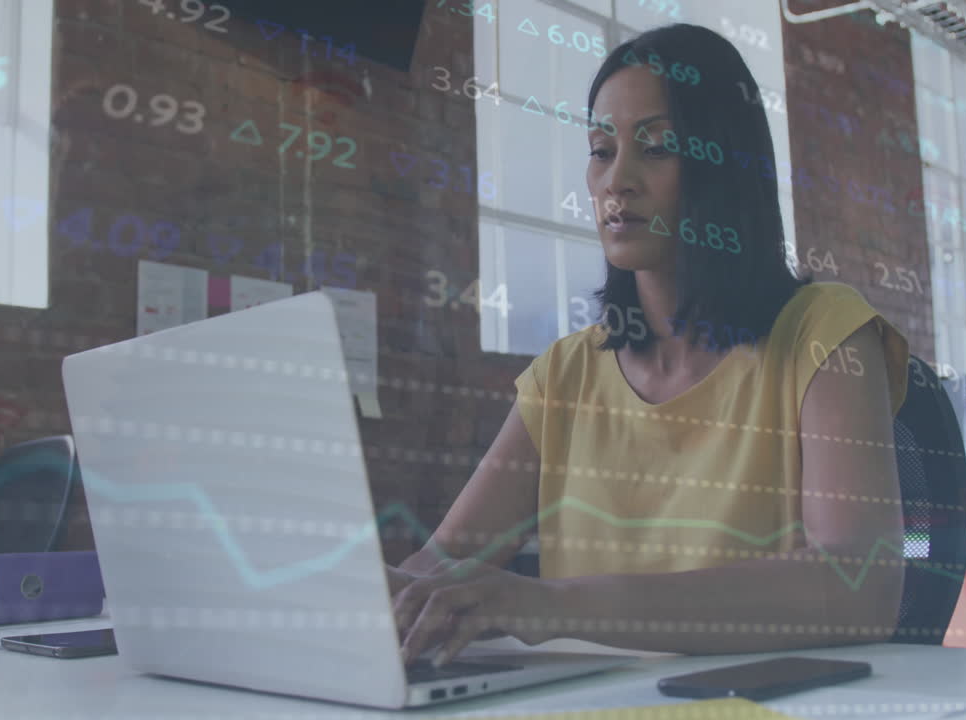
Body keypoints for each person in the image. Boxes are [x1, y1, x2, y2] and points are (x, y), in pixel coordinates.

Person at [387, 24, 909, 667]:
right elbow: (445, 562)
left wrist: (548, 605)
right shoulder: (566, 372)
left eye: (658, 148)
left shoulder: (823, 333)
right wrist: (364, 597)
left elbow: (861, 589)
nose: (618, 181)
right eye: (601, 150)